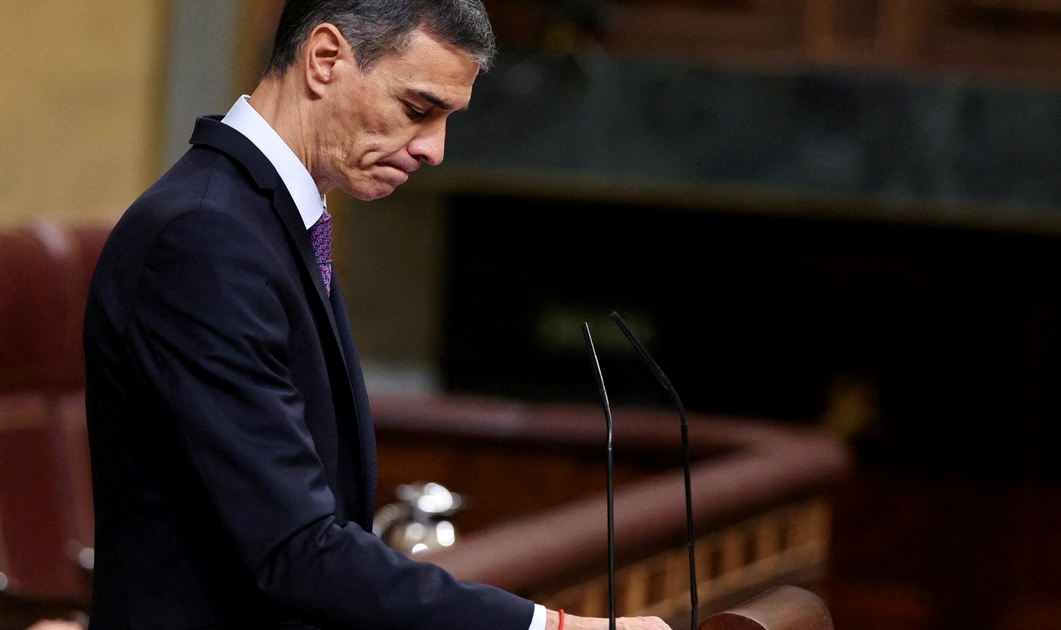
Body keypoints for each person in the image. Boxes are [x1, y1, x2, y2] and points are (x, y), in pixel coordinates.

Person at [82, 1, 671, 629]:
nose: (434, 149)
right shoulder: (205, 237)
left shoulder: (266, 221)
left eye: (446, 119)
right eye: (417, 109)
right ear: (325, 59)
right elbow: (294, 551)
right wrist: (554, 628)